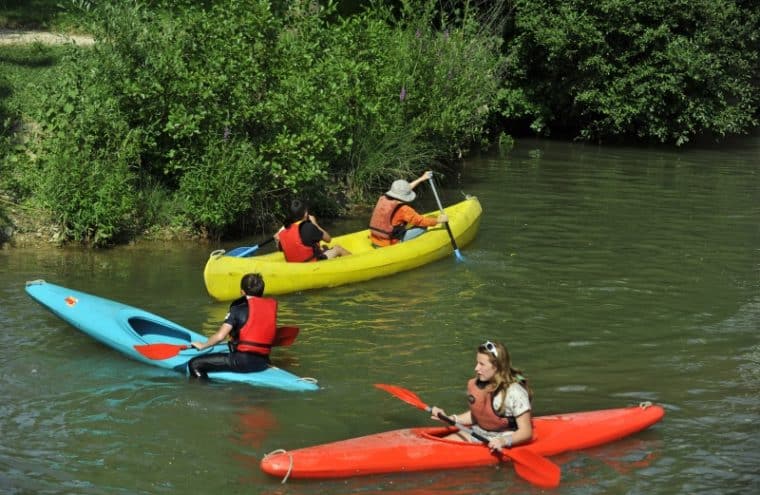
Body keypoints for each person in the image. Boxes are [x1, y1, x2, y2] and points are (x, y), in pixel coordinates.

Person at [430, 341, 533, 451]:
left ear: (497, 366)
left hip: (503, 438)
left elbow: (526, 432)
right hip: (478, 432)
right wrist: (451, 419)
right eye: (477, 363)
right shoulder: (480, 383)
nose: (476, 368)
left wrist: (503, 441)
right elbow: (478, 415)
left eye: (482, 364)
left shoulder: (515, 392)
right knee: (436, 448)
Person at [188, 273, 277, 378]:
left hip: (242, 362)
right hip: (264, 362)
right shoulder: (270, 309)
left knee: (194, 364)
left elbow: (220, 336)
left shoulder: (237, 310)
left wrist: (203, 345)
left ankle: (207, 391)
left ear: (242, 292)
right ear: (262, 291)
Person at [369, 171, 449, 247]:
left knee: (405, 223)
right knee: (423, 227)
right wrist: (438, 220)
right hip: (391, 242)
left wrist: (422, 178)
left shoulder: (383, 199)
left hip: (375, 239)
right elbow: (421, 221)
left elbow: (405, 189)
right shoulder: (404, 210)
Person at [275, 199, 350, 262]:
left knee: (324, 247)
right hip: (311, 264)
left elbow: (281, 249)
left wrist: (277, 241)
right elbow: (328, 239)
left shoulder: (283, 232)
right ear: (306, 214)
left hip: (294, 266)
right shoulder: (309, 227)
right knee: (337, 248)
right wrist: (315, 224)